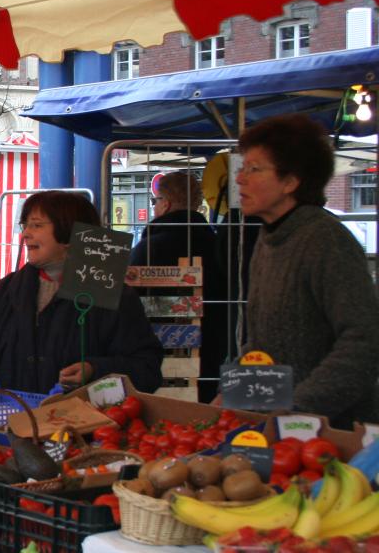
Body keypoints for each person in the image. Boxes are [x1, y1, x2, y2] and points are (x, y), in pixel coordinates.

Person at [233, 114, 379, 426]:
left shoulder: (326, 240)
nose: (240, 179)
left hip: (335, 433)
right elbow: (261, 343)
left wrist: (297, 409)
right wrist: (232, 401)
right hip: (284, 430)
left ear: (290, 181)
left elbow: (364, 341)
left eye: (254, 169)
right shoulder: (270, 238)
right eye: (242, 168)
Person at [0, 191, 163, 394]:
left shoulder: (113, 295)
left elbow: (146, 369)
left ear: (70, 231)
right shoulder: (4, 292)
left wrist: (95, 369)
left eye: (36, 225)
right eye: (25, 225)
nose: (25, 234)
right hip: (13, 416)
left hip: (84, 419)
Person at [130, 172, 228, 403]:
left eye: (155, 201)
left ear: (166, 203)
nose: (155, 207)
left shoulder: (148, 249)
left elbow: (128, 303)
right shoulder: (218, 245)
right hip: (212, 358)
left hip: (158, 359)